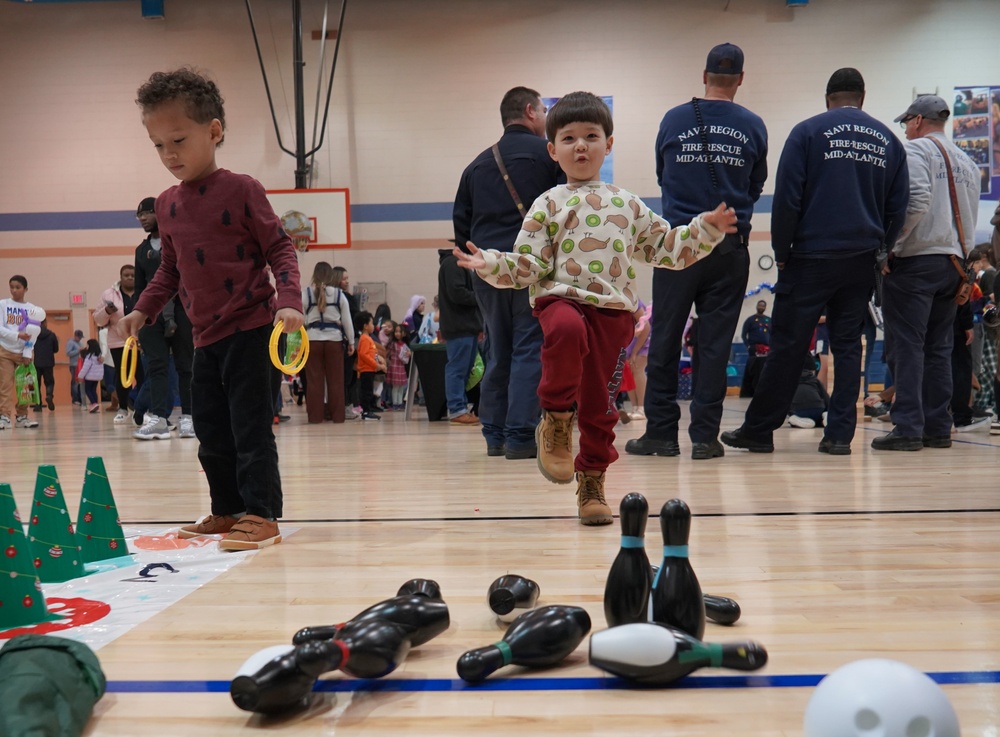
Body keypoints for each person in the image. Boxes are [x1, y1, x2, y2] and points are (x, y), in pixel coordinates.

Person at [455, 91, 736, 525]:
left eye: (591, 136)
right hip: (560, 299)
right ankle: (556, 419)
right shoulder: (547, 204)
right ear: (553, 150)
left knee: (601, 407)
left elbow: (666, 248)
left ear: (609, 144)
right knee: (565, 330)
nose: (581, 146)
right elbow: (530, 264)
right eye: (568, 138)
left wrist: (705, 230)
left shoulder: (628, 204)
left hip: (613, 314)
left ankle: (592, 484)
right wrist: (490, 263)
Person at [118, 68, 303, 551]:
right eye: (158, 145)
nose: (169, 154)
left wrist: (290, 303)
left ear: (214, 130)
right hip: (204, 338)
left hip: (251, 330)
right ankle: (228, 509)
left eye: (178, 140)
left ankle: (262, 514)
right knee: (211, 431)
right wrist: (142, 310)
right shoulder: (166, 205)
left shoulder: (243, 189)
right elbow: (169, 270)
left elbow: (280, 249)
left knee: (250, 428)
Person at [722, 68, 909, 456]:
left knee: (788, 345)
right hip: (860, 259)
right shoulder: (889, 141)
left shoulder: (807, 132)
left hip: (810, 256)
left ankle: (759, 431)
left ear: (828, 99)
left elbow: (787, 198)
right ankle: (839, 436)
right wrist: (881, 250)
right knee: (848, 347)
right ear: (862, 98)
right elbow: (898, 207)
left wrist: (782, 253)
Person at [626, 43, 768, 461]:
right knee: (715, 345)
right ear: (741, 80)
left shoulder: (674, 119)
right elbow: (755, 186)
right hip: (730, 247)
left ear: (704, 76)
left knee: (665, 339)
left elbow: (662, 174)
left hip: (679, 245)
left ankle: (661, 434)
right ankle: (705, 438)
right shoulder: (754, 125)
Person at [454, 86, 563, 459]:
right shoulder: (549, 156)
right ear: (530, 111)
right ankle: (520, 435)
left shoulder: (476, 165)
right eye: (544, 110)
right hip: (532, 268)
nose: (546, 117)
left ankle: (494, 434)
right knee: (529, 348)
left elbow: (461, 231)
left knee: (496, 349)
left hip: (487, 270)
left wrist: (483, 263)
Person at [872, 94, 980, 451]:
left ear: (917, 120)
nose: (906, 129)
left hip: (917, 261)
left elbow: (916, 200)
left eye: (906, 123)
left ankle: (907, 427)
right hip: (953, 266)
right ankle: (937, 427)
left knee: (906, 347)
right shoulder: (967, 160)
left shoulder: (915, 150)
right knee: (938, 348)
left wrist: (892, 245)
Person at [132, 195, 195, 440]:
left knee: (185, 365)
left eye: (147, 213)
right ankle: (159, 418)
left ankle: (189, 417)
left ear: (160, 213)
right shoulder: (141, 251)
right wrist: (137, 319)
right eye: (139, 215)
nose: (142, 218)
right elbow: (140, 288)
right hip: (152, 315)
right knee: (156, 367)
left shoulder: (180, 242)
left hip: (181, 311)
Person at [301, 261, 354, 424]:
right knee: (336, 381)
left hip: (312, 340)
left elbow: (301, 320)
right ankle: (338, 417)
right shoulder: (339, 295)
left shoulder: (306, 293)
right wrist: (351, 341)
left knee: (314, 381)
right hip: (334, 341)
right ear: (331, 276)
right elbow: (347, 321)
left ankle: (315, 418)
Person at [438, 243, 482, 426]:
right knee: (457, 369)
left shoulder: (454, 263)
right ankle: (457, 409)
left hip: (465, 326)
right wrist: (481, 297)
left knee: (463, 370)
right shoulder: (453, 263)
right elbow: (457, 293)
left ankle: (460, 407)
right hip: (459, 326)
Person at [93, 264, 138, 424]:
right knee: (122, 375)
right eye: (126, 275)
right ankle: (123, 409)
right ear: (120, 277)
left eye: (133, 275)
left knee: (142, 375)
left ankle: (142, 409)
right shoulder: (109, 294)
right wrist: (107, 311)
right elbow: (98, 320)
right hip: (119, 342)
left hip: (140, 342)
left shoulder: (143, 291)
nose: (130, 278)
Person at [0, 275, 44, 430]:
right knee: (5, 385)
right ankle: (4, 416)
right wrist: (17, 335)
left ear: (25, 289)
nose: (14, 290)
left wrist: (28, 352)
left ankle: (22, 416)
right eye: (11, 287)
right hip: (5, 350)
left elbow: (34, 332)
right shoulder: (3, 304)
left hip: (24, 352)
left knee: (26, 385)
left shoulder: (31, 309)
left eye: (18, 287)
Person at [353, 310, 384, 420]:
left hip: (370, 370)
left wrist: (379, 361)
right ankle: (366, 412)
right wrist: (376, 364)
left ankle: (368, 410)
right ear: (365, 326)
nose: (373, 325)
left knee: (369, 391)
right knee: (366, 392)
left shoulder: (368, 338)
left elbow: (373, 353)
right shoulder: (364, 339)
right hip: (366, 370)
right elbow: (364, 354)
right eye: (371, 323)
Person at [787, 353, 829, 429]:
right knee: (819, 412)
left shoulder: (788, 380)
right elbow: (825, 397)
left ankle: (796, 419)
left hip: (799, 411)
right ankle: (823, 417)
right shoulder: (813, 379)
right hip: (818, 408)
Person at [739, 299, 771, 398]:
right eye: (760, 305)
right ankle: (749, 391)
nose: (761, 307)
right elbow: (744, 334)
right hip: (754, 348)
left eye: (763, 306)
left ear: (765, 307)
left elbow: (773, 334)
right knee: (752, 369)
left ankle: (763, 391)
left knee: (764, 369)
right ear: (757, 306)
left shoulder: (769, 320)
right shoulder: (750, 320)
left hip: (767, 349)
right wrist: (748, 345)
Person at [31, 320, 58, 413]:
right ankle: (49, 395)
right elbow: (56, 349)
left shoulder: (34, 336)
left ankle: (38, 405)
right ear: (45, 323)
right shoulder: (52, 335)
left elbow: (30, 347)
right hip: (48, 363)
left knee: (36, 384)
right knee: (49, 382)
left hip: (37, 363)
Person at [386, 322, 410, 410]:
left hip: (401, 367)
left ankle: (399, 403)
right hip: (394, 366)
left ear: (404, 333)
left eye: (400, 332)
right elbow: (387, 353)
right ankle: (395, 403)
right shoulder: (393, 344)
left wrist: (409, 354)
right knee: (396, 387)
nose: (398, 333)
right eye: (396, 331)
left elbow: (408, 353)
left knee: (400, 387)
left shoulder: (404, 345)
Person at [76, 339, 104, 413]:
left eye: (87, 345)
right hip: (97, 377)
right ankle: (96, 405)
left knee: (88, 390)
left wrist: (80, 376)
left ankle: (94, 403)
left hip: (90, 377)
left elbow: (85, 368)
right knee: (93, 390)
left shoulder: (89, 357)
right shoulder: (99, 357)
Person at [66, 329, 84, 407]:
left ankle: (80, 398)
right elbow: (68, 353)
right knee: (75, 382)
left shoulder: (79, 343)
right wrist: (78, 351)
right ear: (75, 336)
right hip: (74, 365)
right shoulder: (71, 342)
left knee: (79, 382)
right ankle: (75, 399)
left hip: (80, 364)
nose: (80, 339)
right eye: (79, 337)